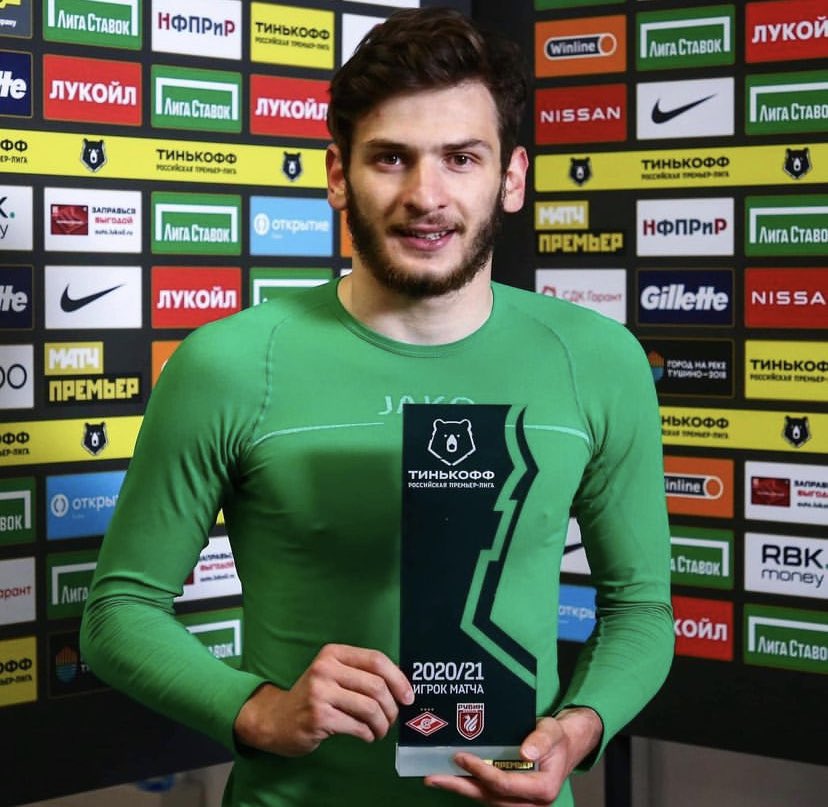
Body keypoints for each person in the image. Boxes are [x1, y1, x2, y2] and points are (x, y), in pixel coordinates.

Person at [81, 8, 673, 807]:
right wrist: (255, 708)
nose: (426, 195)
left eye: (461, 158)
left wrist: (578, 727)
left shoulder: (598, 360)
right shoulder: (228, 363)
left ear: (512, 177)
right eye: (392, 158)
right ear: (338, 175)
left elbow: (641, 610)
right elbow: (118, 612)